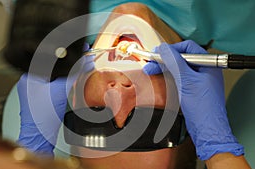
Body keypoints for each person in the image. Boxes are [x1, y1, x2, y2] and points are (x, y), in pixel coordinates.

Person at [17, 2, 251, 169]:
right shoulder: (246, 20)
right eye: (150, 122)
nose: (117, 95)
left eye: (94, 122)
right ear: (194, 111)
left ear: (76, 94)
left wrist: (31, 153)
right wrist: (221, 151)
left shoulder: (38, 13)